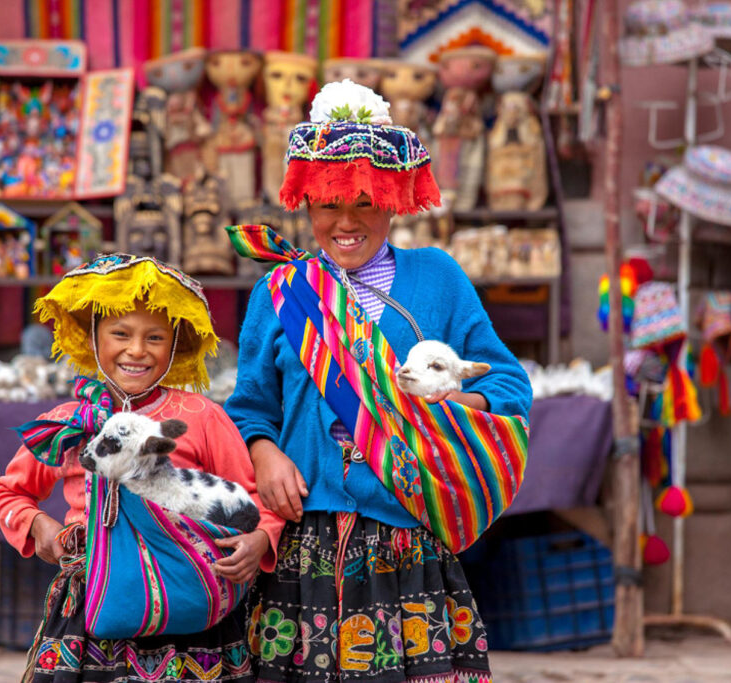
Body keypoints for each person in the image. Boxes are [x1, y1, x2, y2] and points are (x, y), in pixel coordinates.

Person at [225, 81, 532, 683]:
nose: (346, 222)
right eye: (328, 204)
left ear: (393, 202)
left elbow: (509, 388)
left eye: (365, 202)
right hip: (304, 537)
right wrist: (263, 454)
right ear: (306, 203)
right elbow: (251, 406)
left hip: (408, 530)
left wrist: (447, 403)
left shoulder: (437, 279)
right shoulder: (282, 292)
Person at [0, 254, 285, 682]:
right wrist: (40, 527)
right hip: (91, 610)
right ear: (93, 338)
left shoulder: (200, 417)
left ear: (175, 343)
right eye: (120, 333)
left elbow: (253, 497)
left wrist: (260, 540)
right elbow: (8, 493)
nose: (136, 350)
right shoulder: (70, 423)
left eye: (155, 337)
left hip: (191, 608)